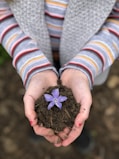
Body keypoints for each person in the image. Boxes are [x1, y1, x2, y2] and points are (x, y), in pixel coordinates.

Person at [1, 0, 119, 148]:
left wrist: (85, 66)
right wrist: (33, 65)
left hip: (85, 58)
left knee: (78, 101)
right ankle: (41, 119)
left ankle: (77, 123)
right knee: (36, 98)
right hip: (34, 57)